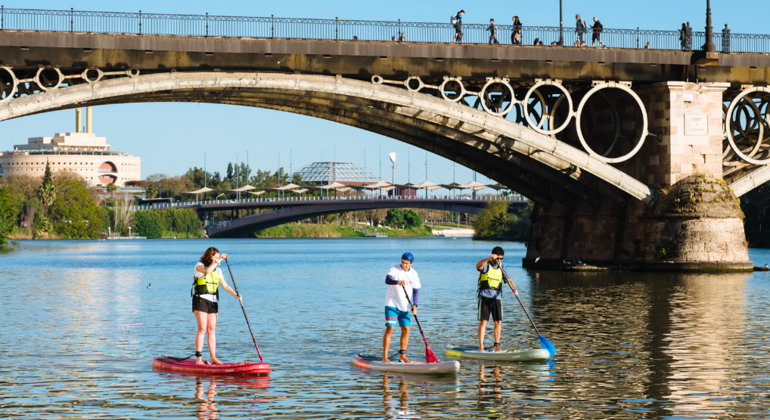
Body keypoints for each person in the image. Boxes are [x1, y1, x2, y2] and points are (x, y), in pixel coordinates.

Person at [192, 247, 243, 365]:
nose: (216, 259)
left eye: (217, 257)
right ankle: (198, 359)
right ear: (209, 256)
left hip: (213, 301)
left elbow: (225, 285)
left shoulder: (218, 270)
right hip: (200, 299)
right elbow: (208, 271)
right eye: (215, 257)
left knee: (211, 329)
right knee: (202, 328)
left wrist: (235, 295)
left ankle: (213, 358)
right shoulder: (199, 266)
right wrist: (219, 260)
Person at [476, 247, 517, 352]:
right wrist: (489, 258)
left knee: (498, 322)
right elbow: (478, 266)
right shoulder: (486, 265)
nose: (499, 261)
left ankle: (496, 346)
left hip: (497, 297)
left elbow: (509, 280)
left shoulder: (502, 268)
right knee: (483, 322)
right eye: (497, 258)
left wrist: (514, 289)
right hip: (484, 296)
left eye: (501, 259)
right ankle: (481, 346)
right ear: (493, 256)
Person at [383, 252, 421, 363]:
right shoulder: (394, 269)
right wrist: (396, 282)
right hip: (392, 303)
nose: (403, 265)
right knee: (390, 328)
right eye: (402, 262)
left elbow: (416, 291)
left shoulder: (414, 274)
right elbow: (387, 280)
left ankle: (402, 356)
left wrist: (415, 305)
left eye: (406, 263)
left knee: (406, 329)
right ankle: (385, 357)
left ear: (411, 263)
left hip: (404, 306)